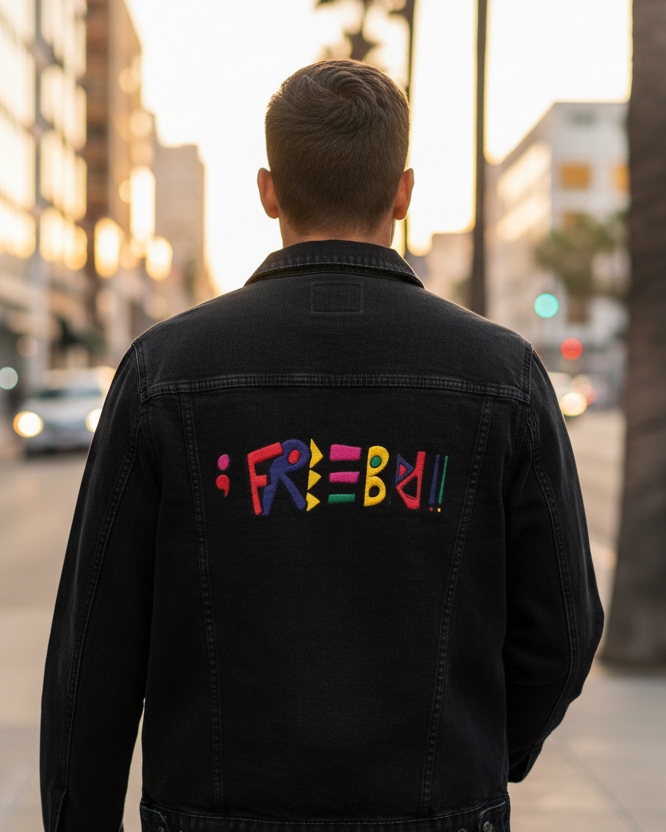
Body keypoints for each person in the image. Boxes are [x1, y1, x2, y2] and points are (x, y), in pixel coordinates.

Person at [40, 59, 603, 832]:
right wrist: (475, 756)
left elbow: (92, 653)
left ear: (268, 190)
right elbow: (566, 631)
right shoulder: (501, 374)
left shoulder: (165, 373)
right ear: (402, 194)